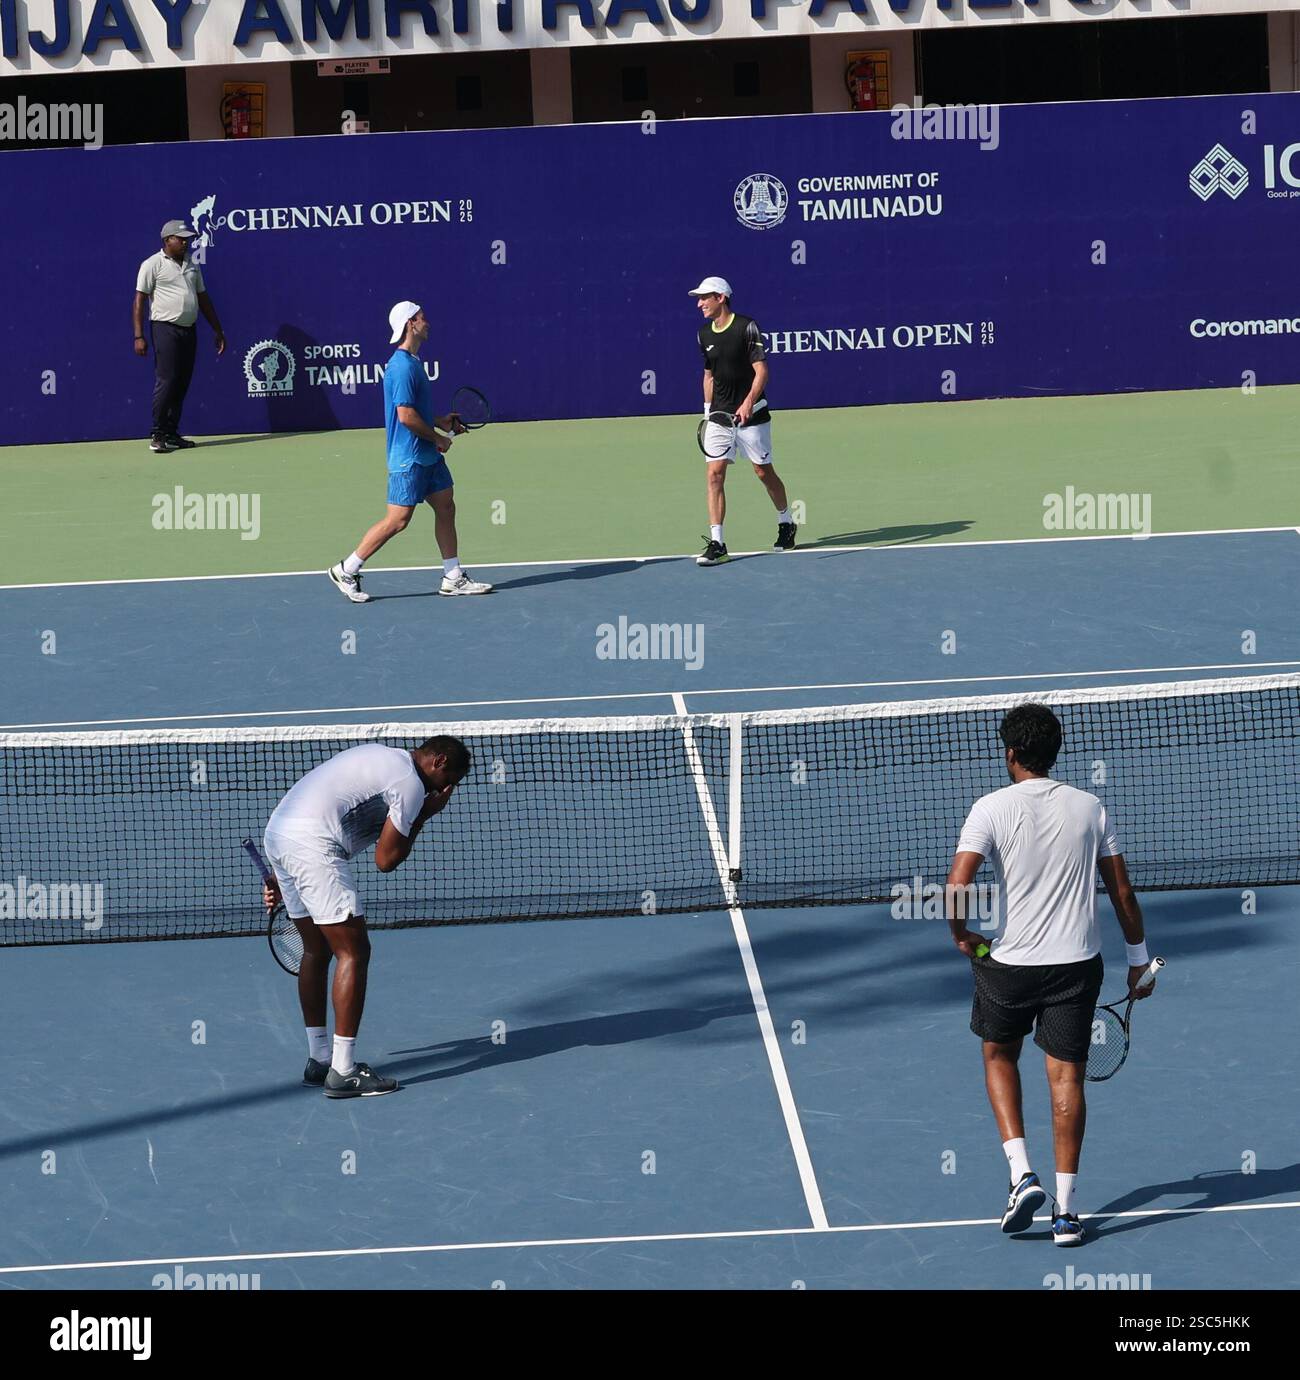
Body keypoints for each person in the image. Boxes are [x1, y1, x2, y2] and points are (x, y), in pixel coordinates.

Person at [945, 702, 1154, 1246]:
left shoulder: (988, 809)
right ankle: (1066, 1213)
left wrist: (962, 935)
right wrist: (1138, 962)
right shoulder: (1090, 807)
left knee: (998, 1055)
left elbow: (956, 886)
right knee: (1067, 1080)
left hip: (1008, 966)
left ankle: (1021, 1175)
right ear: (1054, 752)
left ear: (1011, 753)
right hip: (1076, 967)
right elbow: (1123, 893)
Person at [261, 734, 471, 1098]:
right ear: (438, 763)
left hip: (279, 835)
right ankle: (343, 1071)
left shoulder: (380, 755)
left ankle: (319, 1060)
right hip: (313, 846)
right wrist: (425, 813)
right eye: (449, 780)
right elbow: (386, 860)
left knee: (316, 951)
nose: (447, 789)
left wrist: (282, 873)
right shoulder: (410, 785)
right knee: (354, 952)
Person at [329, 301, 493, 602]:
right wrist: (438, 438)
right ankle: (347, 569)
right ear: (410, 324)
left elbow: (416, 410)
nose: (427, 322)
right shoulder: (403, 366)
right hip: (410, 457)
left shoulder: (414, 362)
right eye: (422, 318)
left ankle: (453, 577)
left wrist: (440, 421)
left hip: (427, 455)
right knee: (398, 520)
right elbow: (405, 416)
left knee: (446, 506)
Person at [689, 276, 796, 566]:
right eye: (699, 298)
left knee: (763, 472)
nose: (699, 303)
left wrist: (748, 401)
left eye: (704, 298)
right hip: (720, 418)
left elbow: (761, 371)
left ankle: (787, 521)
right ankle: (717, 542)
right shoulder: (703, 334)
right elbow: (708, 375)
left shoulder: (746, 327)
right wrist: (708, 411)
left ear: (720, 297)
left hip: (753, 415)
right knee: (714, 475)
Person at [133, 219, 225, 453]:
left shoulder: (192, 265)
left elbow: (203, 298)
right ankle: (158, 433)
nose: (186, 243)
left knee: (182, 382)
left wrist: (217, 329)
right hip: (165, 328)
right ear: (167, 241)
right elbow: (140, 300)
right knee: (167, 380)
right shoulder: (152, 264)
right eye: (180, 239)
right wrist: (138, 336)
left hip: (189, 329)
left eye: (187, 239)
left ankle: (172, 433)